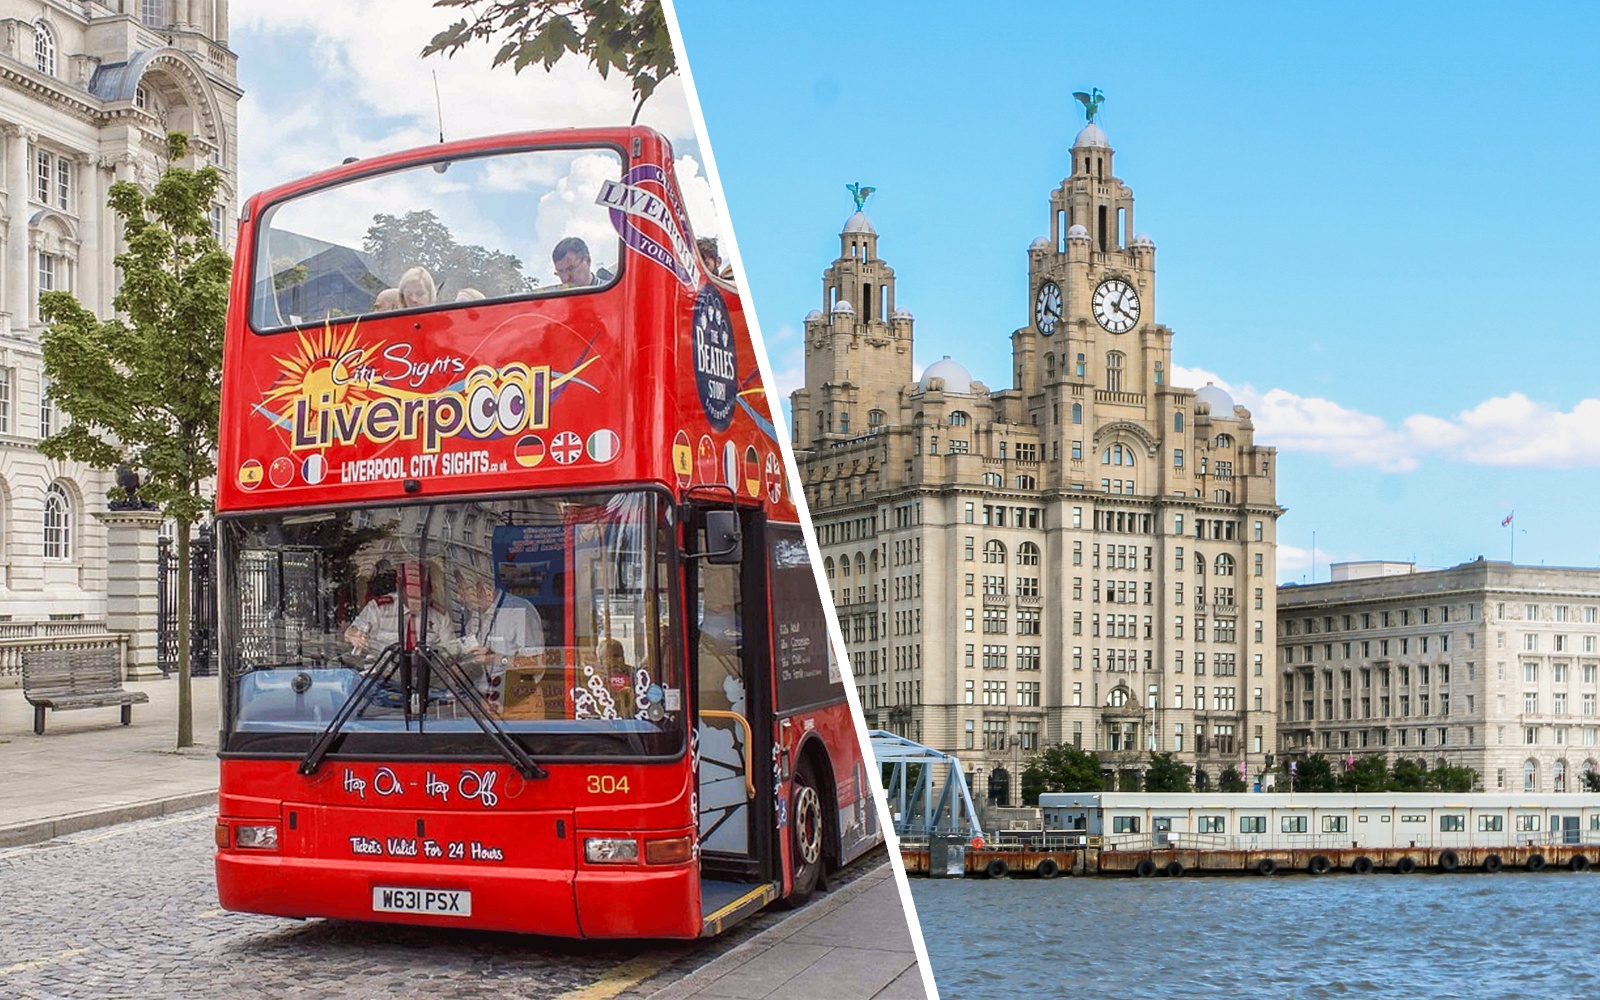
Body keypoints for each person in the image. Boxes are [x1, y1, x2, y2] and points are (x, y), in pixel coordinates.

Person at [454, 560, 544, 713]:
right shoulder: (473, 615)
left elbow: (537, 664)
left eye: (462, 590)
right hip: (484, 704)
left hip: (518, 705)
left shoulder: (519, 611)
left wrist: (496, 658)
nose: (458, 597)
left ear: (479, 587)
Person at [345, 563, 452, 654]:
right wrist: (352, 636)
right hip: (384, 674)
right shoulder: (379, 608)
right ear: (400, 589)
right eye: (412, 597)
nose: (417, 603)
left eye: (422, 597)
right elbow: (351, 633)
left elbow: (450, 653)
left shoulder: (440, 616)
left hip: (428, 675)